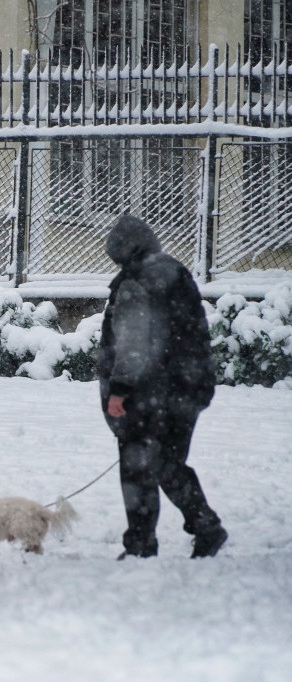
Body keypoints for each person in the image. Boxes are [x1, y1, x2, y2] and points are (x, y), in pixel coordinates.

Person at [98, 215, 228, 559]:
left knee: (139, 467)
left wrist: (120, 389)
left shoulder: (136, 280)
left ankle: (142, 544)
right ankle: (206, 527)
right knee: (167, 463)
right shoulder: (175, 273)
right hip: (188, 387)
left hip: (148, 393)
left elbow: (134, 341)